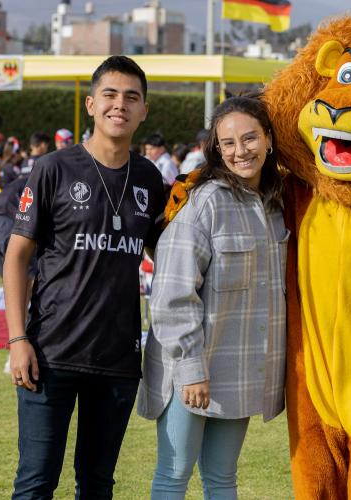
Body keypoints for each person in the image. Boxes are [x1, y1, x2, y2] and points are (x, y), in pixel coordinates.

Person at [3, 55, 166, 498]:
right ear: (91, 104)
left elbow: (167, 252)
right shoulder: (53, 168)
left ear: (144, 110)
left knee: (97, 485)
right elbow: (17, 256)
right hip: (50, 354)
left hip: (117, 360)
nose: (120, 105)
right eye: (110, 95)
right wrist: (17, 340)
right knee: (35, 483)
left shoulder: (149, 178)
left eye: (131, 97)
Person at [138, 94, 287, 499]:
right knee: (173, 476)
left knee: (222, 478)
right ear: (217, 150)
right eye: (228, 143)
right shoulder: (205, 202)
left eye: (250, 138)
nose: (241, 151)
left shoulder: (277, 205)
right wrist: (192, 369)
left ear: (269, 139)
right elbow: (171, 295)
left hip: (238, 368)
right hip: (189, 369)